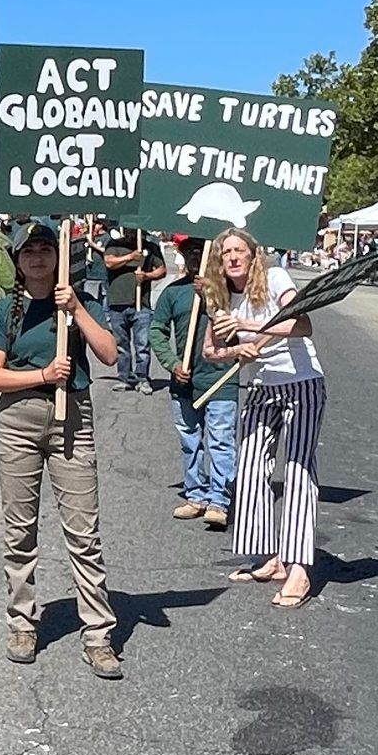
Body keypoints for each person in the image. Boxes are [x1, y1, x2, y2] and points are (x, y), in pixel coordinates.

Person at [0, 219, 123, 679]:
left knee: (84, 534)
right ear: (17, 262)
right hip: (19, 420)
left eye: (45, 247)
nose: (38, 256)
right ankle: (22, 623)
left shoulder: (79, 305)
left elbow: (109, 353)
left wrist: (76, 308)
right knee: (20, 531)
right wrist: (42, 376)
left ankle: (99, 635)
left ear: (59, 256)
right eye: (29, 251)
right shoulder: (6, 311)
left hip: (73, 420)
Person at [206, 227, 327, 608]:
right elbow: (211, 351)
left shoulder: (275, 279)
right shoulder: (222, 296)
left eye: (240, 250)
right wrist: (233, 353)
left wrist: (248, 327)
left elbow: (302, 323)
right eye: (226, 253)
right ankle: (271, 556)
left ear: (254, 255)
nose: (233, 258)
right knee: (253, 469)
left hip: (301, 382)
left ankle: (299, 570)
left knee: (297, 471)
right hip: (259, 387)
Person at [154, 237, 237, 529]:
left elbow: (237, 331)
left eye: (200, 252)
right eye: (188, 251)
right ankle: (196, 495)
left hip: (220, 378)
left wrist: (212, 296)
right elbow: (157, 330)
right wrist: (172, 363)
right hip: (185, 380)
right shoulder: (173, 293)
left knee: (220, 441)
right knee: (189, 440)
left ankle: (220, 499)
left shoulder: (230, 290)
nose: (194, 256)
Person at [101, 226, 156, 393]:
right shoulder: (114, 244)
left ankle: (142, 378)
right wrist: (131, 257)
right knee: (121, 345)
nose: (132, 232)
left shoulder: (150, 247)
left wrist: (146, 276)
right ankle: (124, 377)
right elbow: (109, 262)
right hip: (117, 304)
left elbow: (161, 270)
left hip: (141, 304)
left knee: (142, 345)